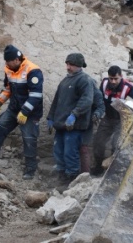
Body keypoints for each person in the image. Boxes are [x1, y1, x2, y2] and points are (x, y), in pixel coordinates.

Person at [0, 45, 44, 180]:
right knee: (0, 127)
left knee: (29, 138)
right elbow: (8, 89)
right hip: (14, 108)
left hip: (30, 112)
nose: (6, 64)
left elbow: (36, 95)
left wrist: (25, 112)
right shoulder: (9, 69)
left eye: (8, 61)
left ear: (15, 60)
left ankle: (30, 168)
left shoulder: (33, 70)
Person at [47, 53, 93, 184]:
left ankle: (71, 180)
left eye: (71, 64)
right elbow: (56, 101)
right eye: (67, 64)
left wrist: (74, 114)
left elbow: (87, 100)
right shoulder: (65, 81)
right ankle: (61, 176)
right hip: (61, 125)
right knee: (58, 151)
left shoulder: (84, 80)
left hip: (74, 126)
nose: (68, 67)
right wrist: (50, 117)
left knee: (70, 153)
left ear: (79, 65)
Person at [91, 65, 133, 176]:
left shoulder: (129, 89)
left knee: (116, 144)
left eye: (115, 79)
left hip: (121, 120)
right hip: (107, 118)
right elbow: (99, 100)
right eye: (111, 78)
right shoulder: (104, 83)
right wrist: (97, 113)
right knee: (98, 142)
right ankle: (98, 167)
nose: (113, 81)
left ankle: (113, 172)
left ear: (121, 77)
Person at [80, 79, 105, 173]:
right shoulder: (81, 93)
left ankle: (85, 173)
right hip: (76, 124)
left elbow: (101, 107)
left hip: (87, 124)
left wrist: (96, 115)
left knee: (84, 148)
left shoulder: (96, 94)